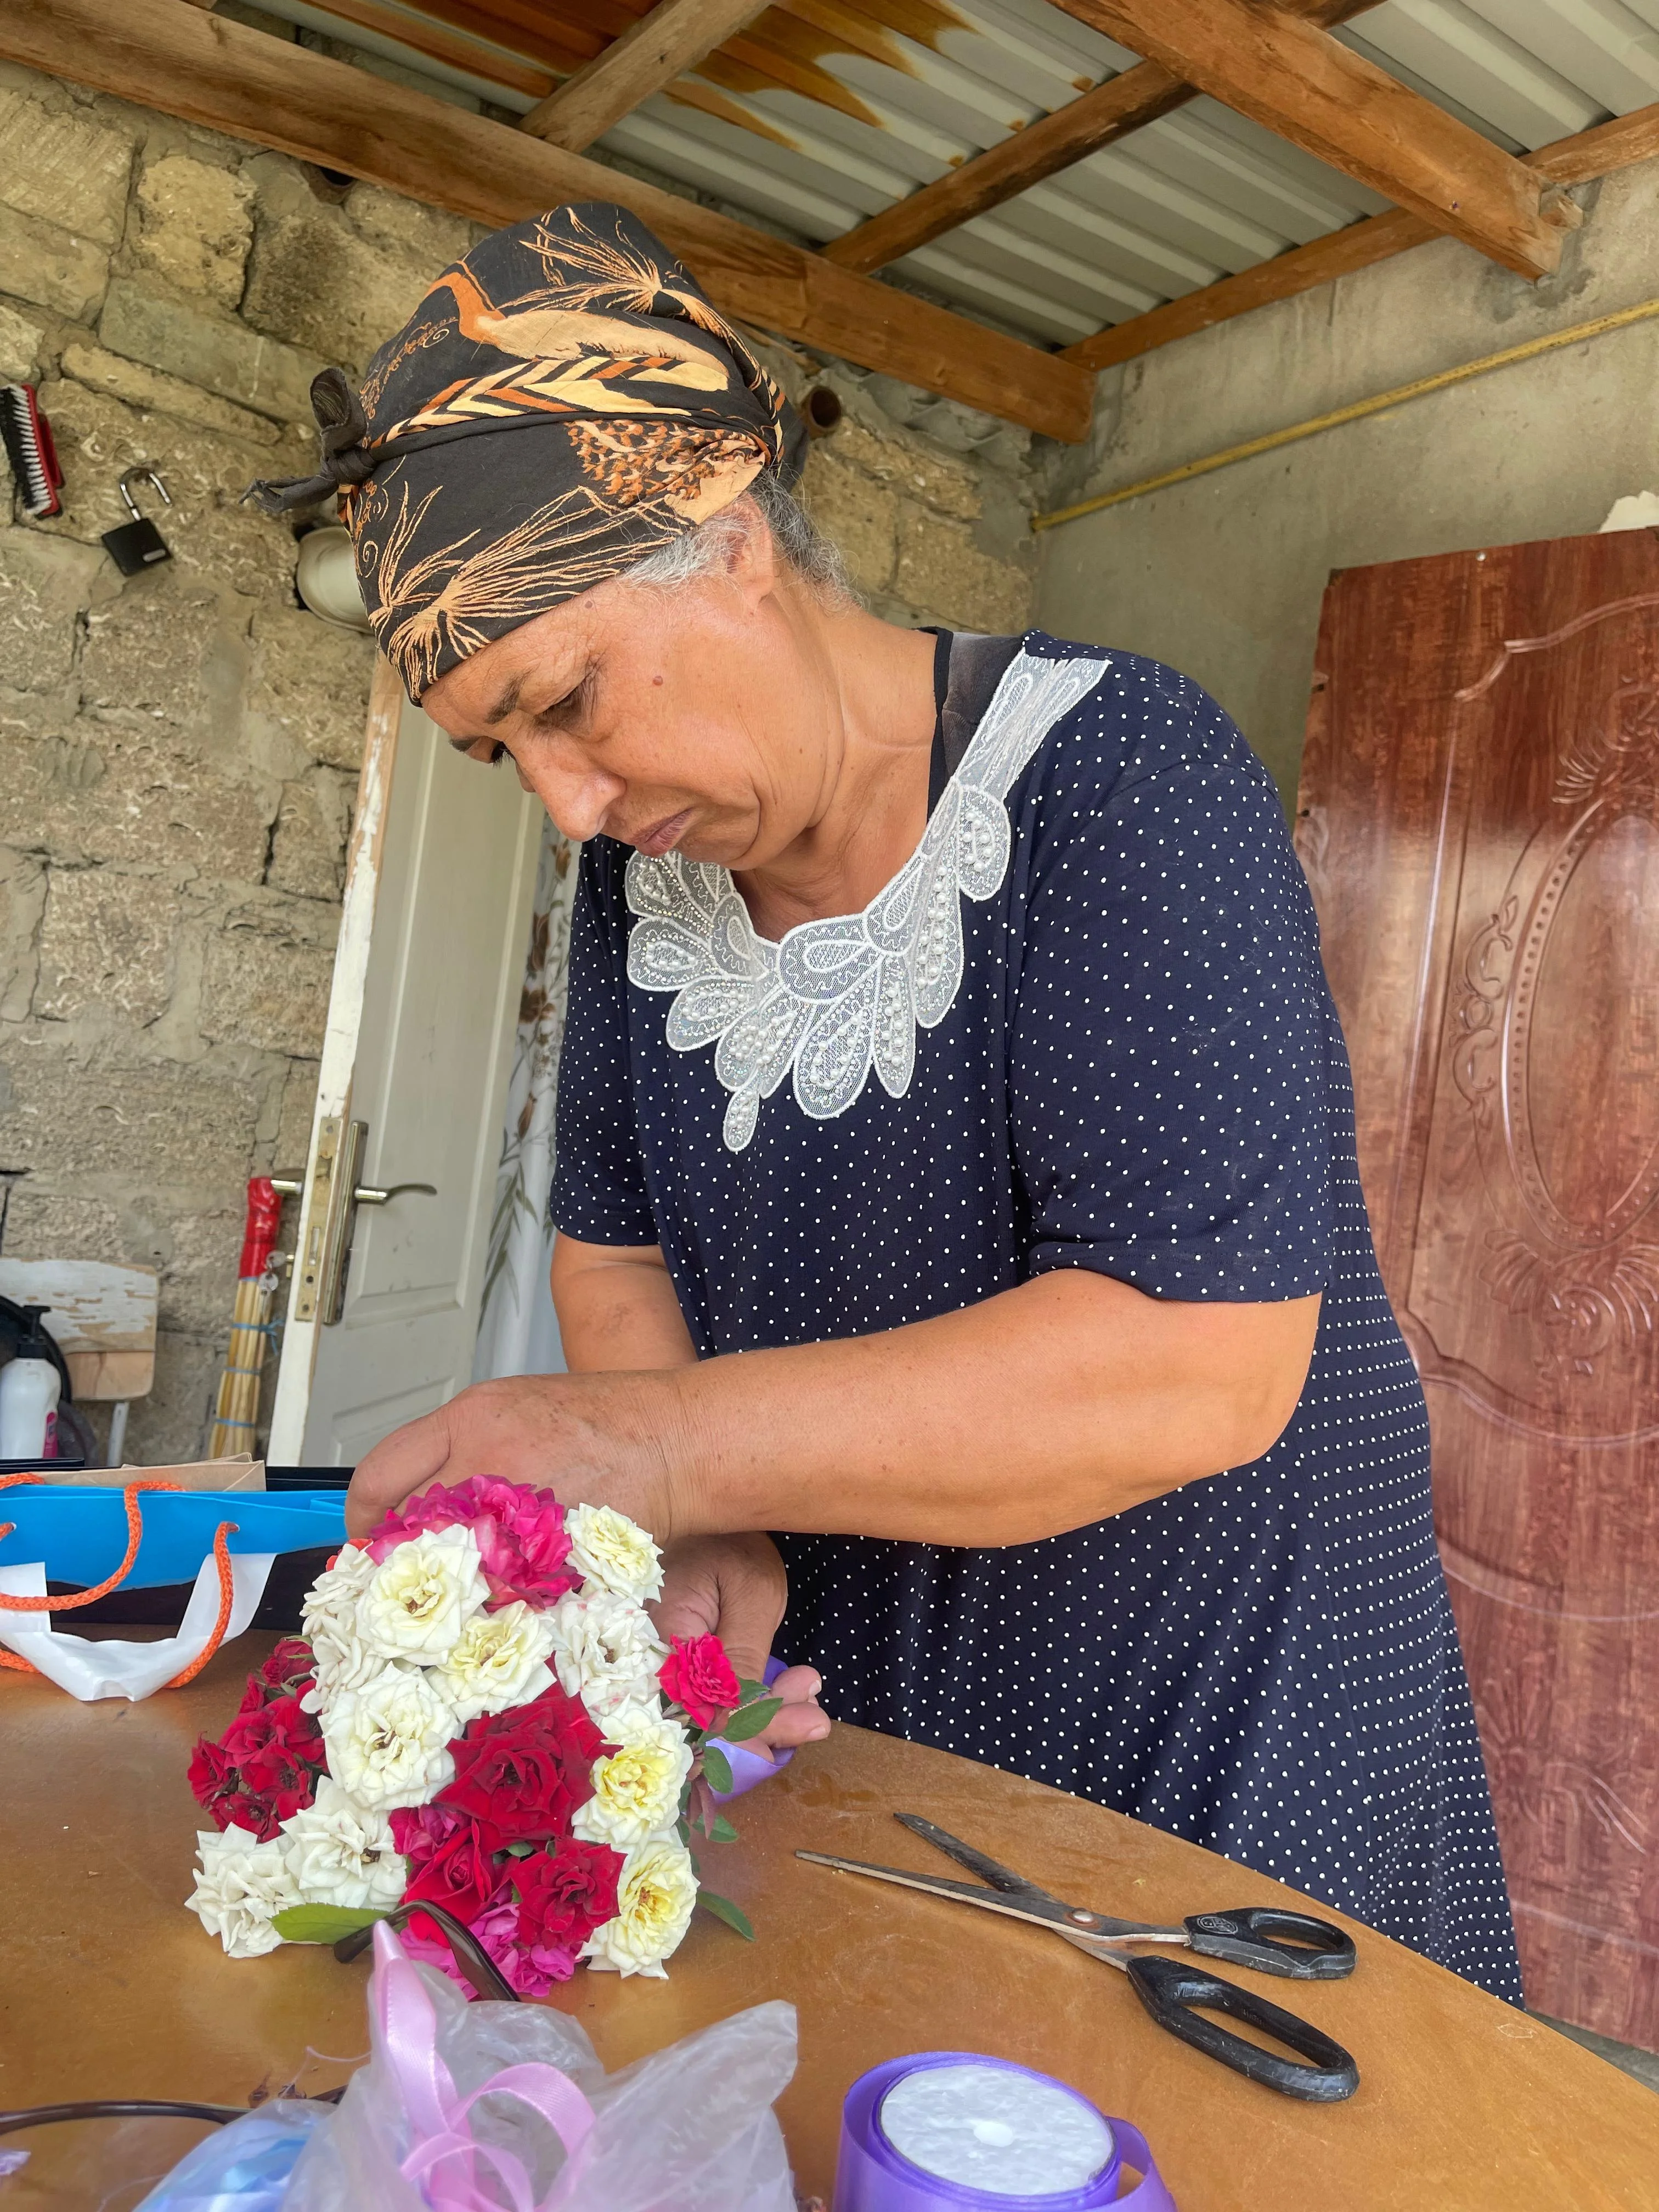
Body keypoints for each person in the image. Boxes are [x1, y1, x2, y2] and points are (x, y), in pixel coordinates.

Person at [254, 202, 1522, 2002]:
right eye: (500, 754)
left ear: (726, 533)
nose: (565, 803)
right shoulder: (646, 892)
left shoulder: (1114, 778)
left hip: (1209, 1711)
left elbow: (1195, 1361)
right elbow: (614, 1256)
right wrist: (703, 1520)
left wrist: (656, 1453)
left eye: (569, 702)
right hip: (866, 1702)